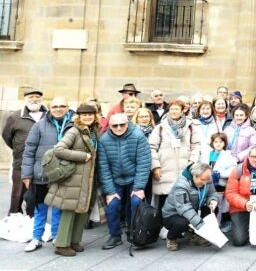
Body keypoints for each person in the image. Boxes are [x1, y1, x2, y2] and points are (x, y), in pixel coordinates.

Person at [44, 103, 100, 257]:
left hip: (87, 178)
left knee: (82, 211)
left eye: (90, 114)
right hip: (73, 178)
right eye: (84, 115)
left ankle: (74, 241)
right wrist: (82, 156)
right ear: (79, 116)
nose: (88, 117)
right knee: (69, 210)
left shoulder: (93, 131)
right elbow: (59, 149)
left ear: (95, 116)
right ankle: (62, 244)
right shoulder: (74, 131)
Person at [21, 97, 73, 252]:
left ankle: (56, 236)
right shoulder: (39, 126)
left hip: (63, 175)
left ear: (68, 108)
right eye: (55, 106)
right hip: (41, 174)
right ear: (50, 108)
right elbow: (29, 150)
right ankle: (37, 237)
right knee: (40, 208)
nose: (58, 109)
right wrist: (26, 175)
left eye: (62, 106)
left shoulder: (73, 126)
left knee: (58, 208)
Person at [98, 112, 151, 250]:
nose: (119, 128)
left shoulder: (138, 136)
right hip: (115, 179)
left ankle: (136, 233)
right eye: (115, 125)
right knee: (113, 205)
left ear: (127, 123)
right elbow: (104, 167)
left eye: (122, 124)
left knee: (136, 202)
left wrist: (139, 187)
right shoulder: (104, 140)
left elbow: (144, 163)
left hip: (134, 177)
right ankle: (115, 236)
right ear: (109, 126)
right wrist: (109, 191)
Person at [149, 100, 201, 210]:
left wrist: (192, 163)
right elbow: (151, 147)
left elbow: (196, 146)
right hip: (165, 170)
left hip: (185, 169)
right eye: (171, 109)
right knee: (164, 204)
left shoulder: (191, 127)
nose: (173, 111)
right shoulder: (160, 128)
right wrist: (155, 166)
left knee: (183, 202)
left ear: (182, 111)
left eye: (176, 109)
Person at [2, 88, 47, 215]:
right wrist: (18, 149)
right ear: (25, 99)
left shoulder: (48, 116)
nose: (34, 99)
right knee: (17, 194)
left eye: (37, 97)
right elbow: (7, 136)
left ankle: (33, 219)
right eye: (31, 97)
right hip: (21, 162)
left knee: (37, 195)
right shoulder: (15, 116)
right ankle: (14, 218)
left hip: (41, 164)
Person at [162, 162, 220, 251]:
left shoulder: (207, 178)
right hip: (173, 215)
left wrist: (212, 200)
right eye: (202, 180)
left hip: (194, 209)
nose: (205, 183)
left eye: (207, 180)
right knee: (183, 222)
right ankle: (171, 237)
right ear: (194, 176)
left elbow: (212, 193)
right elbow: (184, 208)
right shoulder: (181, 185)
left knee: (212, 208)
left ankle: (195, 236)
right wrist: (201, 225)